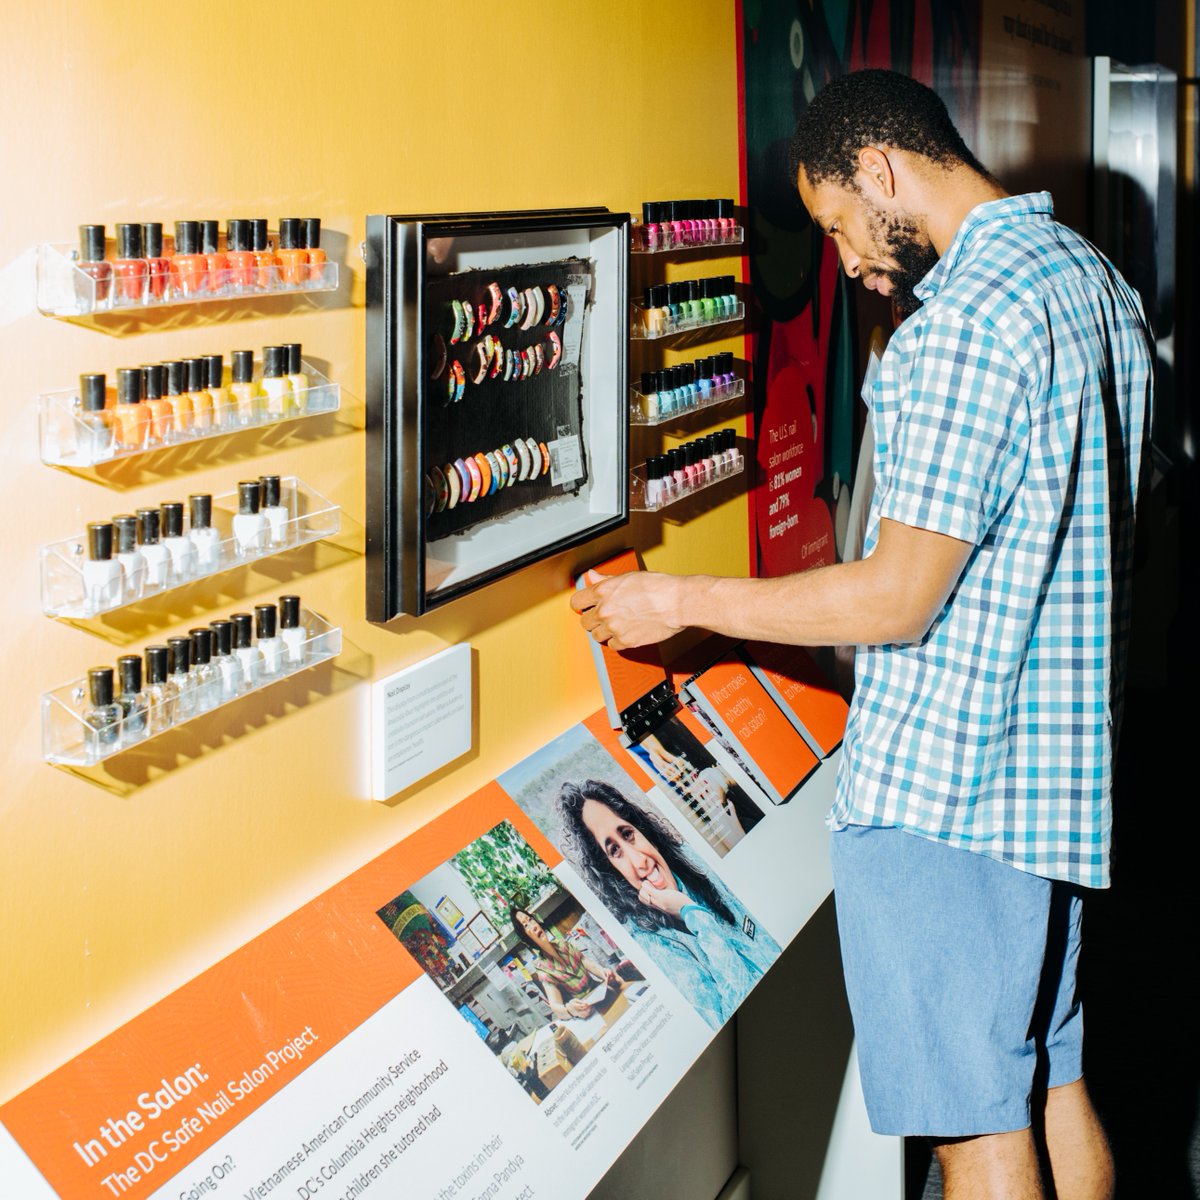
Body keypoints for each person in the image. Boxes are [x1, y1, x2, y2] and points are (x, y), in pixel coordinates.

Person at [571, 69, 1150, 1200]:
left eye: (838, 224)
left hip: (952, 797)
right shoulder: (1091, 280)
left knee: (975, 1134)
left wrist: (679, 600)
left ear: (880, 172)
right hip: (1063, 787)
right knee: (1054, 1083)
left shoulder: (964, 324)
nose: (846, 260)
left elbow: (897, 597)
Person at [556, 779, 780, 1029]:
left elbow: (767, 946)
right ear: (611, 872)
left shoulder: (691, 860)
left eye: (628, 834)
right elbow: (730, 1020)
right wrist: (691, 913)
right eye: (615, 851)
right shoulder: (648, 939)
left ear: (641, 830)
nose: (639, 861)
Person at [508, 903, 618, 1020]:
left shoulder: (562, 944)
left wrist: (603, 973)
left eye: (530, 920)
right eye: (526, 925)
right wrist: (570, 1009)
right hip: (588, 1011)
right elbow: (556, 1008)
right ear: (525, 938)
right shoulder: (543, 969)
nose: (533, 926)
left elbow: (584, 961)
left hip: (602, 993)